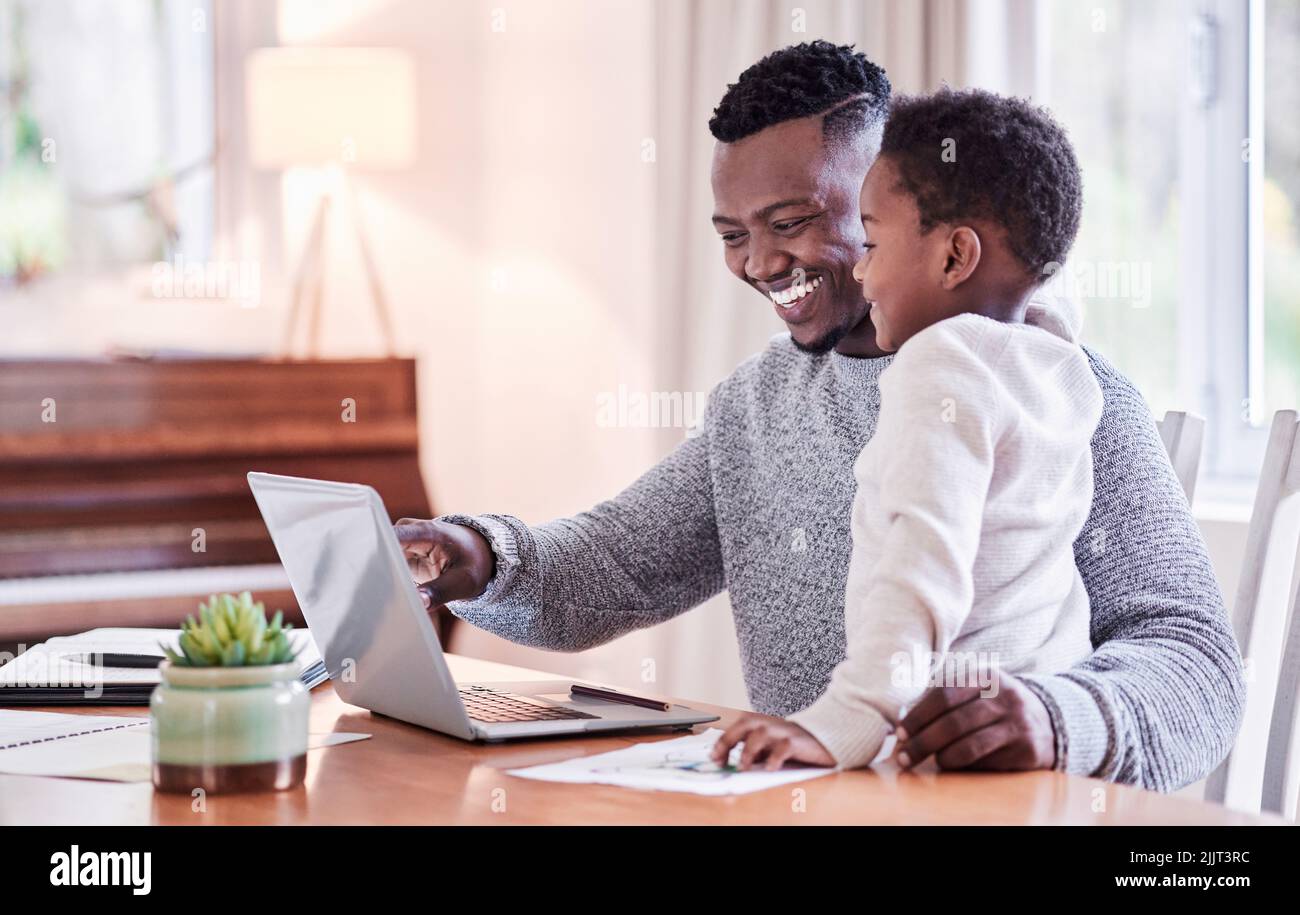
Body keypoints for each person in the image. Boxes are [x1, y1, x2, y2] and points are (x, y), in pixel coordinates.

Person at [395, 41, 1243, 790]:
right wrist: (480, 556)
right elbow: (618, 564)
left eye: (792, 222)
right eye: (733, 234)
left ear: (892, 193)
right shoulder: (757, 409)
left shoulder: (1066, 390)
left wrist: (1059, 718)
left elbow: (1199, 669)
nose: (761, 263)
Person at [712, 88, 1102, 771]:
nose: (861, 270)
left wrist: (847, 719)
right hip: (1037, 770)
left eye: (873, 241)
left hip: (933, 761)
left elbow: (923, 561)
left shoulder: (940, 366)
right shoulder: (1054, 366)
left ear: (954, 258)